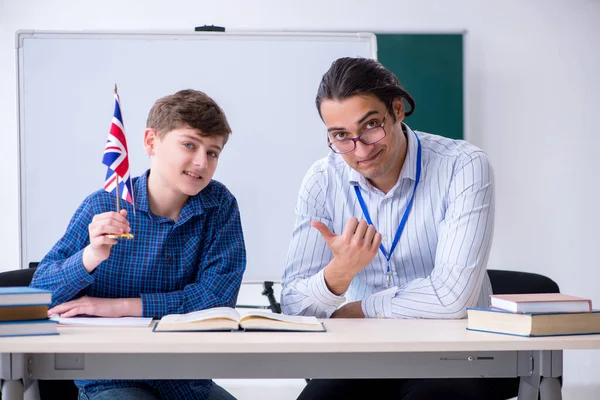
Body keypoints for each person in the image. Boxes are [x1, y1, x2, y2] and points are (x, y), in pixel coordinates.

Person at [280, 57, 519, 399]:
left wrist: (359, 308)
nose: (360, 149)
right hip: (365, 357)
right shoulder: (322, 178)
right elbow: (292, 307)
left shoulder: (464, 165)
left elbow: (452, 298)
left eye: (370, 126)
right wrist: (337, 276)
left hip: (458, 356)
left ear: (397, 109)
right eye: (340, 136)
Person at [30, 89, 246, 400]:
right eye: (189, 145)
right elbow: (39, 296)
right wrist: (90, 256)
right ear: (150, 142)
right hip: (113, 378)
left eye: (213, 152)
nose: (201, 162)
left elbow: (217, 299)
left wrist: (117, 307)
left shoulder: (219, 206)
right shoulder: (102, 205)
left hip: (186, 382)